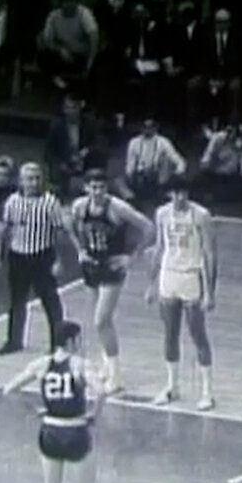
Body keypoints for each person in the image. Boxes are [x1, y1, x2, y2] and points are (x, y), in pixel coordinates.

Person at [2, 321, 108, 483]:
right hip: (75, 429)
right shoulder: (80, 365)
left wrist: (34, 410)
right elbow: (102, 391)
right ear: (71, 342)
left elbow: (10, 389)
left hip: (50, 430)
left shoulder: (41, 364)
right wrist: (94, 414)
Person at [66, 168, 156, 395]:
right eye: (94, 188)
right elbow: (69, 225)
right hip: (91, 264)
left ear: (107, 189)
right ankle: (107, 364)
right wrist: (80, 250)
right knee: (99, 318)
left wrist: (131, 257)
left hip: (112, 266)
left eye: (102, 188)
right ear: (86, 188)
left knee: (101, 320)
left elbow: (148, 227)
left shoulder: (117, 208)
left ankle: (116, 375)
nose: (98, 192)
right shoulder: (79, 206)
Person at [146, 176, 217, 410]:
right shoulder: (162, 214)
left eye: (184, 192)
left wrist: (210, 292)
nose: (180, 197)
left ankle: (207, 391)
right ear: (169, 194)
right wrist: (151, 283)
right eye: (176, 193)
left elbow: (209, 253)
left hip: (191, 274)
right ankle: (172, 386)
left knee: (198, 334)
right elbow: (159, 248)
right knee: (170, 334)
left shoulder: (201, 215)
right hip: (169, 275)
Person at [0, 162, 68, 356]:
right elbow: (6, 231)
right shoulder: (12, 202)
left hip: (42, 255)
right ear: (21, 181)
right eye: (29, 179)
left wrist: (58, 260)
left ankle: (57, 342)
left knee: (50, 301)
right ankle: (14, 340)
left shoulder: (50, 202)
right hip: (18, 256)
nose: (33, 183)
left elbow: (58, 232)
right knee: (17, 301)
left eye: (37, 178)